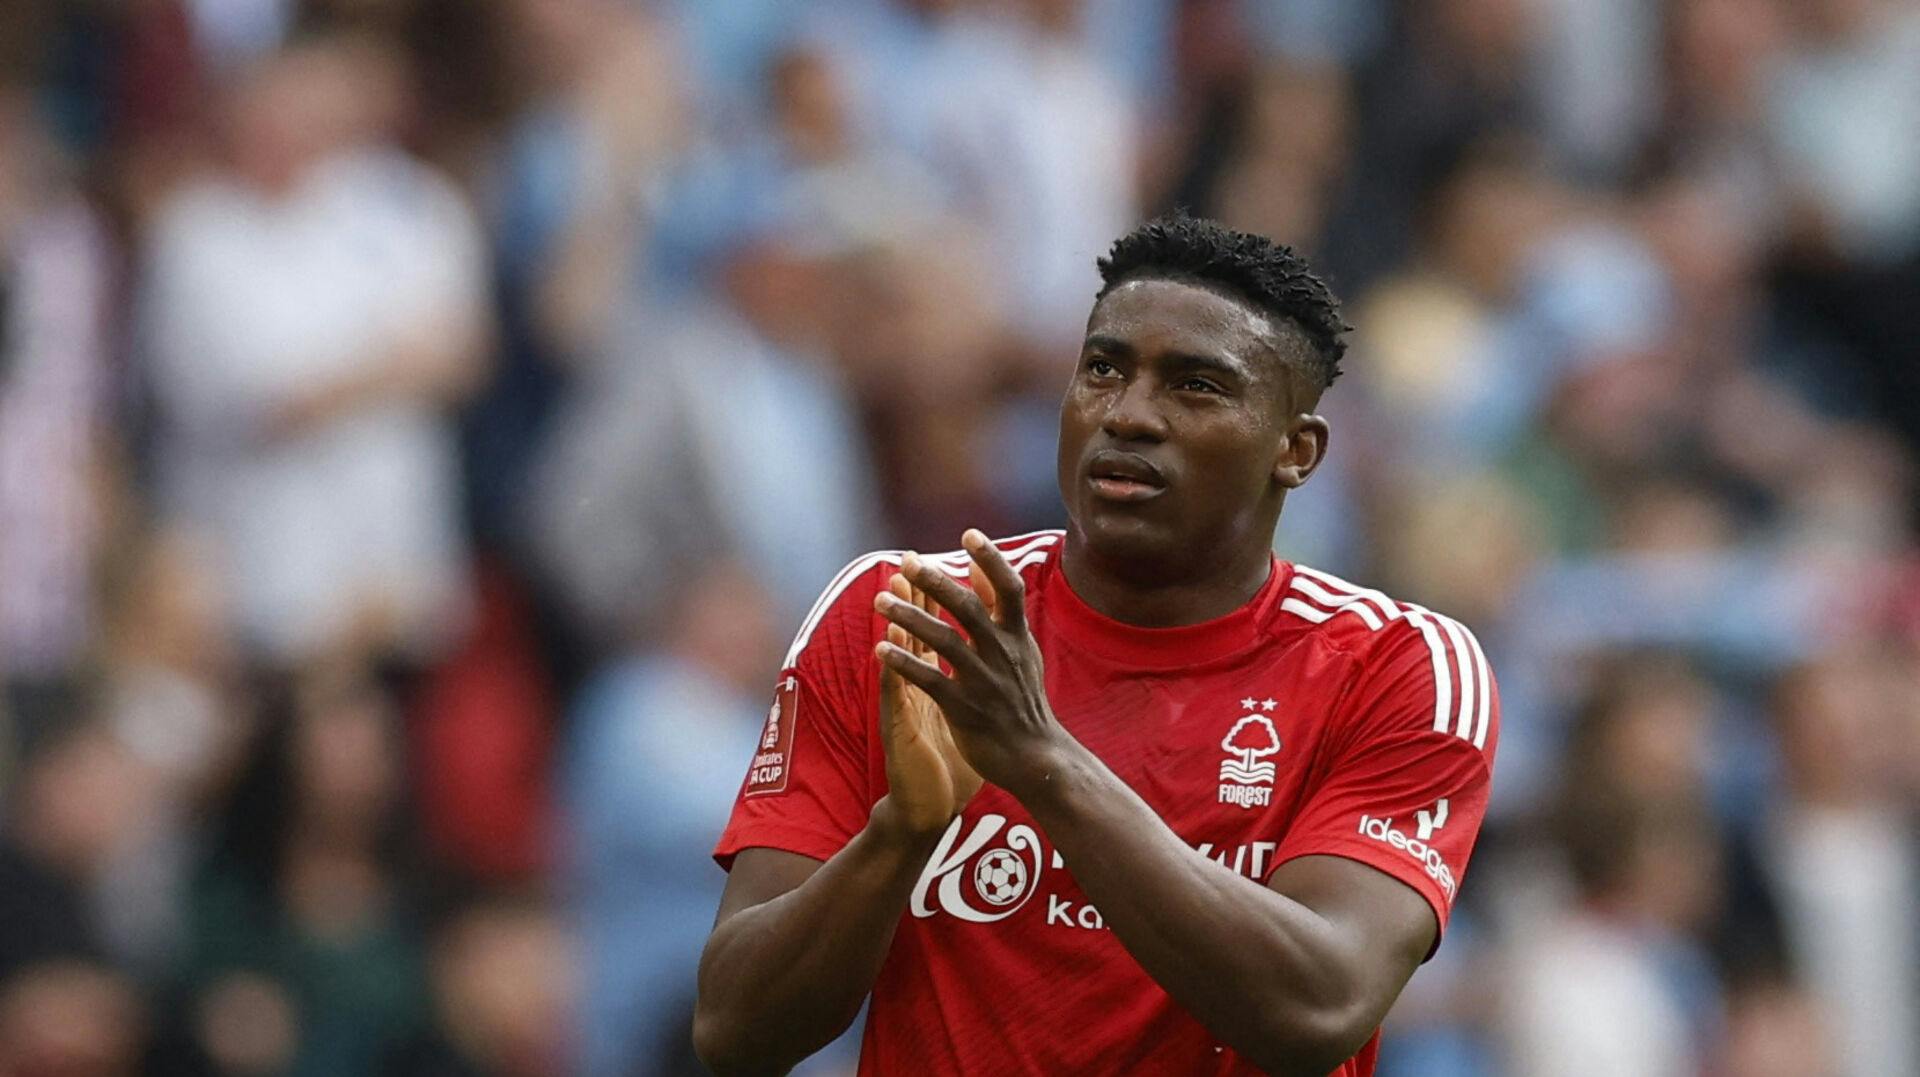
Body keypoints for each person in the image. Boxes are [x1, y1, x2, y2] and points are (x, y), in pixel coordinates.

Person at [694, 214, 1500, 1076]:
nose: (1129, 415)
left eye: (1195, 386)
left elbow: (1318, 1003)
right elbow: (735, 1034)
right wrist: (900, 835)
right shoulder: (909, 614)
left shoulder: (1400, 666)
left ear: (1295, 451)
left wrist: (1041, 758)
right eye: (1103, 370)